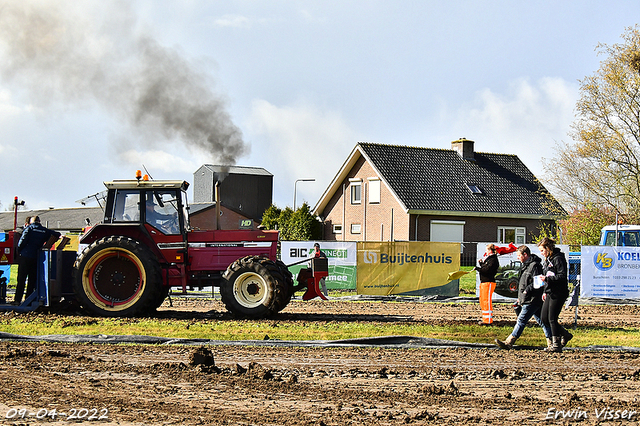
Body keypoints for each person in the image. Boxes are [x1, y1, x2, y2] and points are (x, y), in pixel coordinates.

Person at [495, 245, 551, 349]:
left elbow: (537, 282)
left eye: (519, 255)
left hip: (532, 299)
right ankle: (554, 341)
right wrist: (520, 298)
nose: (517, 257)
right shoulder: (526, 266)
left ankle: (509, 342)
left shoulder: (535, 266)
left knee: (521, 320)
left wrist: (526, 291)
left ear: (525, 255)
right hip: (528, 298)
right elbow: (524, 282)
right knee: (543, 321)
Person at [14, 216, 61, 305]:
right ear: (39, 221)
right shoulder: (44, 230)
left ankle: (17, 300)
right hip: (36, 257)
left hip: (25, 256)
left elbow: (22, 241)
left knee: (21, 279)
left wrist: (19, 251)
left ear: (31, 222)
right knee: (32, 279)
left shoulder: (29, 228)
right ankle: (28, 300)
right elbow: (56, 234)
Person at [538, 237, 572, 352]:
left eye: (542, 250)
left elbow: (562, 276)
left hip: (559, 292)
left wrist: (548, 279)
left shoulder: (558, 259)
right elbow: (547, 276)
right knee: (544, 318)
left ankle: (556, 344)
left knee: (552, 318)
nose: (541, 253)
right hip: (550, 291)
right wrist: (545, 291)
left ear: (548, 248)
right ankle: (565, 334)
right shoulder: (548, 260)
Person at [474, 243, 499, 325]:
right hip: (484, 282)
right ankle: (485, 319)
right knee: (482, 300)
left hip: (489, 282)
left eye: (487, 250)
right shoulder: (489, 259)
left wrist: (478, 268)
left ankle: (488, 321)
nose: (486, 252)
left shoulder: (493, 260)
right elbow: (485, 268)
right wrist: (481, 264)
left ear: (490, 250)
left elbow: (487, 270)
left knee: (486, 301)